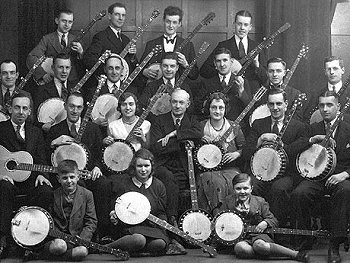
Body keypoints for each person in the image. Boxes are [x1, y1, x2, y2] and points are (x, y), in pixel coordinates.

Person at [291, 91, 350, 263]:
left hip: (341, 177)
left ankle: (334, 246)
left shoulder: (349, 128)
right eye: (321, 105)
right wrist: (311, 139)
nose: (325, 109)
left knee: (345, 191)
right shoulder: (313, 128)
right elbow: (293, 149)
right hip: (316, 178)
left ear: (338, 107)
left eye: (329, 105)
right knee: (299, 194)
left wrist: (345, 174)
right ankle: (305, 240)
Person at [46, 92, 111, 239]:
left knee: (104, 184)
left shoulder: (93, 128)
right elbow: (44, 154)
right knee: (76, 183)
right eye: (71, 106)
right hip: (68, 177)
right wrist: (53, 142)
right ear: (65, 106)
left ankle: (102, 233)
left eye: (79, 107)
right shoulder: (56, 130)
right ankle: (74, 234)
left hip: (89, 173)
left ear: (83, 109)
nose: (75, 110)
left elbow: (101, 153)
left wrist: (97, 167)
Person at [242, 88, 309, 225]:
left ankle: (277, 230)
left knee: (278, 189)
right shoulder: (259, 124)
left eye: (279, 103)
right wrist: (260, 139)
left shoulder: (299, 127)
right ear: (267, 105)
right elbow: (246, 153)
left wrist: (283, 146)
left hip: (287, 174)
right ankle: (255, 227)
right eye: (271, 104)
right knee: (252, 184)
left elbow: (296, 152)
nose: (275, 107)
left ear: (286, 104)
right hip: (262, 172)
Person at [0, 91, 53, 258]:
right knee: (5, 188)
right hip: (6, 180)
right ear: (9, 109)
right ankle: (5, 241)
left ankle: (34, 241)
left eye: (24, 108)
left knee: (45, 191)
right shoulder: (1, 129)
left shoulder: (36, 132)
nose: (21, 112)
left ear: (30, 111)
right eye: (17, 107)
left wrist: (41, 174)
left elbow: (41, 158)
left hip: (29, 180)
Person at [215, 173, 309, 262]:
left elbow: (273, 220)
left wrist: (265, 222)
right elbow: (220, 219)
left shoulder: (259, 201)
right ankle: (263, 253)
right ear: (233, 189)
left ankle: (295, 254)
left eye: (245, 188)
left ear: (251, 189)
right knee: (241, 248)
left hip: (259, 235)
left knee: (260, 245)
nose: (242, 192)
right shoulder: (228, 201)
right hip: (241, 237)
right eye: (238, 189)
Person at [150, 88, 202, 223]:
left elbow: (198, 133)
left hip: (185, 165)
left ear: (188, 104)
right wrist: (183, 141)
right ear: (170, 102)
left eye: (181, 102)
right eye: (174, 102)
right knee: (169, 179)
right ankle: (171, 219)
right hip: (164, 164)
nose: (177, 106)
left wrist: (174, 134)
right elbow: (157, 148)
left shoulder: (192, 120)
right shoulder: (160, 120)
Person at [107, 148, 169, 255]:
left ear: (152, 166)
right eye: (140, 166)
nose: (143, 170)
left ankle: (134, 250)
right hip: (131, 228)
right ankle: (106, 248)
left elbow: (161, 212)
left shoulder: (158, 185)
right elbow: (117, 207)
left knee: (160, 243)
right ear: (134, 167)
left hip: (152, 228)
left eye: (147, 166)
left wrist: (163, 221)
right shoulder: (124, 184)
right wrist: (114, 214)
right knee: (138, 240)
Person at [197, 92, 246, 213]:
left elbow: (245, 148)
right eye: (214, 107)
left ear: (225, 109)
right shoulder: (201, 126)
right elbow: (193, 149)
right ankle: (216, 215)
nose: (217, 111)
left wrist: (237, 154)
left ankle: (235, 216)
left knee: (233, 181)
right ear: (209, 108)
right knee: (213, 181)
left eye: (221, 108)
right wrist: (200, 141)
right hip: (208, 170)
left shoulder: (234, 127)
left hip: (230, 168)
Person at [200, 10, 267, 94]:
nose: (242, 28)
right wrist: (225, 70)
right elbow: (204, 71)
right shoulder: (223, 45)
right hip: (228, 95)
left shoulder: (257, 47)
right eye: (239, 24)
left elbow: (265, 78)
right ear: (234, 25)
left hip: (251, 96)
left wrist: (257, 65)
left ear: (250, 27)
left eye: (245, 25)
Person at [42, 159, 97, 261]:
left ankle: (53, 257)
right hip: (59, 238)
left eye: (72, 177)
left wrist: (83, 239)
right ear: (58, 179)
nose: (69, 181)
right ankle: (64, 253)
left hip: (77, 238)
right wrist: (57, 235)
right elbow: (49, 220)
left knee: (82, 251)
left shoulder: (87, 194)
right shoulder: (54, 194)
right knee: (59, 246)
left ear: (78, 177)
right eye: (64, 178)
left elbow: (91, 221)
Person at [195, 47, 251, 132]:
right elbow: (197, 106)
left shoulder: (242, 82)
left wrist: (242, 93)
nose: (222, 64)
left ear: (231, 62)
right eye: (218, 61)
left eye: (225, 60)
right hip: (213, 129)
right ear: (214, 63)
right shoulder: (207, 83)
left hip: (236, 128)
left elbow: (249, 108)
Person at [140, 5, 199, 83]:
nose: (171, 26)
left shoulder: (188, 45)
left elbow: (195, 75)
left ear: (180, 24)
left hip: (179, 91)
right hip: (154, 90)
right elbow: (139, 70)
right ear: (163, 21)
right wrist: (145, 71)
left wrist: (186, 65)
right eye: (168, 21)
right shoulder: (151, 44)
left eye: (174, 22)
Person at [27, 9, 83, 85]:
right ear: (57, 21)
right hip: (51, 82)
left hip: (71, 82)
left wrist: (81, 52)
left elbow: (83, 65)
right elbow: (31, 58)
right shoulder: (47, 39)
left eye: (70, 22)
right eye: (64, 21)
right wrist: (42, 74)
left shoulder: (76, 40)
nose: (67, 25)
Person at [83, 2, 138, 77]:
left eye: (123, 15)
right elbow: (89, 60)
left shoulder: (126, 40)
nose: (120, 18)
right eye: (117, 14)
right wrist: (109, 71)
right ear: (109, 16)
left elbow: (132, 67)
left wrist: (132, 57)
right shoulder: (100, 37)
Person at [139, 52, 194, 123]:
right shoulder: (151, 86)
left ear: (177, 68)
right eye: (165, 66)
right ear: (161, 67)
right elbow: (141, 107)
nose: (168, 69)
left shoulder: (184, 87)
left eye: (172, 66)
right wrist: (152, 102)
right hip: (156, 125)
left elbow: (191, 110)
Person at [252, 57, 304, 123]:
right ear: (267, 73)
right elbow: (254, 116)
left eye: (278, 71)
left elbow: (298, 120)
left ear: (284, 73)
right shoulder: (260, 93)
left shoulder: (295, 94)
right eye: (271, 71)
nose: (275, 74)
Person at [33, 53, 76, 132]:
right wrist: (42, 126)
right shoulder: (41, 90)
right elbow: (34, 120)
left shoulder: (77, 89)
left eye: (67, 67)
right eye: (60, 67)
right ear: (53, 68)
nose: (64, 71)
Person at [305, 56, 350, 122]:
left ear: (342, 70)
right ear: (325, 72)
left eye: (335, 68)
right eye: (329, 69)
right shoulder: (317, 94)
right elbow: (307, 118)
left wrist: (341, 116)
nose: (332, 72)